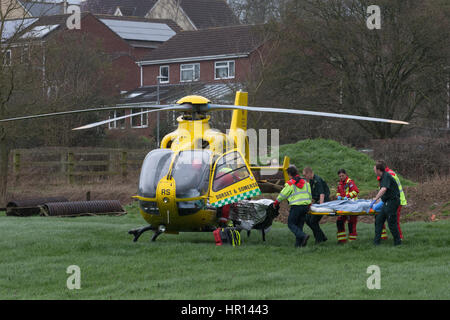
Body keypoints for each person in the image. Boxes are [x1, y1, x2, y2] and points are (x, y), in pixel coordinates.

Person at [271, 165, 312, 247]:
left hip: (296, 207)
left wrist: (276, 203)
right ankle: (299, 245)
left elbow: (283, 195)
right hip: (306, 206)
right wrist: (309, 204)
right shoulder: (306, 183)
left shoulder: (290, 183)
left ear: (289, 174)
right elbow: (309, 194)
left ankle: (303, 236)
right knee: (299, 225)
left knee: (291, 224)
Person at [369, 162, 402, 246]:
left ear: (378, 170)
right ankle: (376, 243)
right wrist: (379, 201)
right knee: (379, 220)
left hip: (393, 202)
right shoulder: (383, 177)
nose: (374, 172)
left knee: (391, 223)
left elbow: (384, 189)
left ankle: (398, 242)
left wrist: (375, 198)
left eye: (375, 170)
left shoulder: (386, 176)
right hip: (387, 202)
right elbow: (385, 193)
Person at [374, 160, 407, 240]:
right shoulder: (385, 175)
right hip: (388, 200)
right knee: (380, 218)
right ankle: (383, 236)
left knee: (394, 221)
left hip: (395, 200)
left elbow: (386, 189)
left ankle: (399, 238)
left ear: (380, 168)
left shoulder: (389, 175)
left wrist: (376, 199)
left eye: (376, 168)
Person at [303, 166, 329, 244]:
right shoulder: (311, 181)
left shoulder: (317, 180)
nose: (304, 177)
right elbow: (312, 195)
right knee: (307, 219)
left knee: (313, 221)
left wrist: (320, 207)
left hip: (323, 202)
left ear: (309, 173)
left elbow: (322, 194)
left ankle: (319, 239)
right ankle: (322, 236)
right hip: (316, 202)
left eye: (305, 175)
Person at [336, 169, 360, 243]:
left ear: (345, 174)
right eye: (340, 176)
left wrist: (348, 196)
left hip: (352, 205)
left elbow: (356, 191)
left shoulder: (350, 182)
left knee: (351, 223)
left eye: (342, 175)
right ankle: (341, 240)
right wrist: (338, 196)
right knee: (339, 221)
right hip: (343, 205)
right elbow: (338, 192)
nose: (341, 177)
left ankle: (352, 241)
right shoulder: (340, 184)